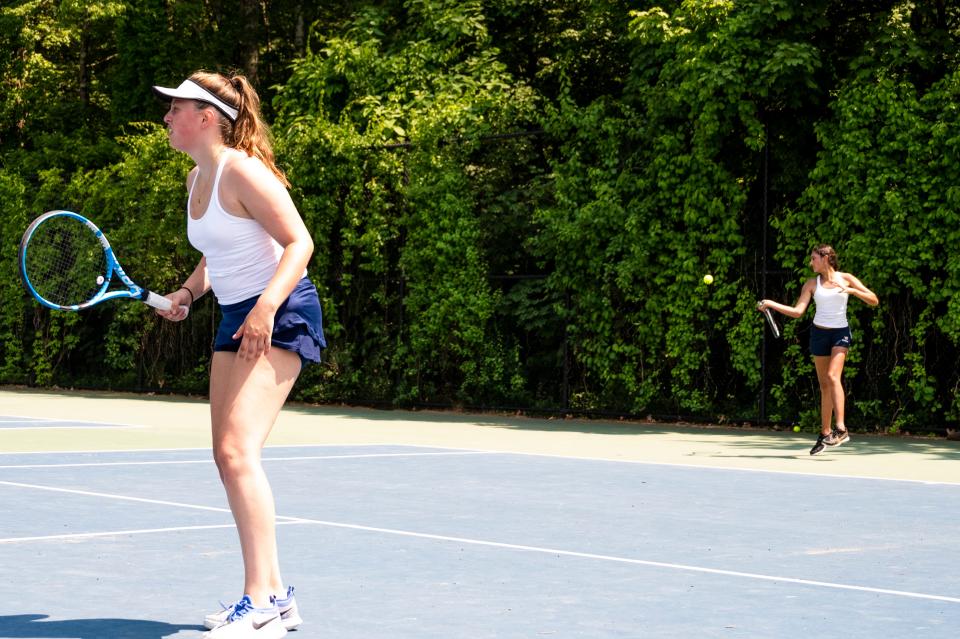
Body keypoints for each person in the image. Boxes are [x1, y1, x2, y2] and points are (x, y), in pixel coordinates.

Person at [153, 71, 325, 638]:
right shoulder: (194, 178)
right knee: (225, 456)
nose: (167, 117)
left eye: (175, 109)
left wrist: (265, 309)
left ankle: (260, 602)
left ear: (206, 117)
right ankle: (276, 597)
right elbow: (216, 254)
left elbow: (300, 242)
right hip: (234, 313)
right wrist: (185, 293)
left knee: (236, 450)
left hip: (279, 308)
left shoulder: (242, 171)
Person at [758, 244, 878, 456]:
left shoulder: (846, 278)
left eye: (814, 258)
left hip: (840, 333)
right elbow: (797, 312)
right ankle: (825, 433)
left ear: (826, 258)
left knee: (833, 376)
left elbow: (874, 300)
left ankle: (841, 429)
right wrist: (770, 303)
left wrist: (852, 290)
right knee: (824, 385)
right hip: (819, 334)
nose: (810, 262)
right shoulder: (812, 284)